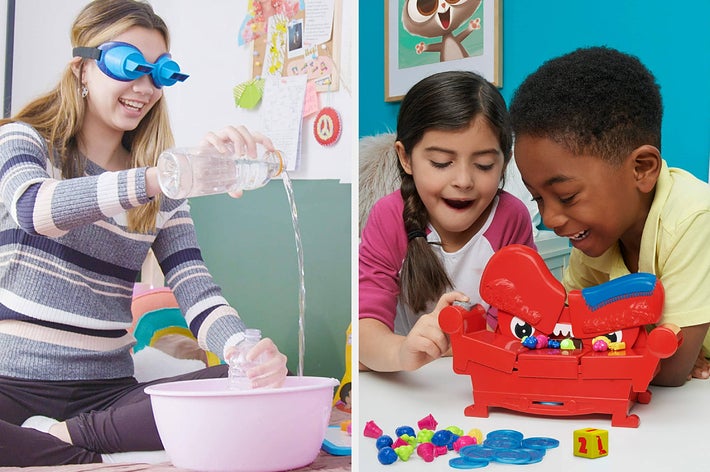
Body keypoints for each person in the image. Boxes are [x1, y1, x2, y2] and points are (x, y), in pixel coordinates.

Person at [0, 0, 288, 466]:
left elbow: (196, 289)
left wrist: (246, 351)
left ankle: (61, 439)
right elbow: (34, 207)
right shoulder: (23, 139)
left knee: (247, 387)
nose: (145, 86)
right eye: (128, 65)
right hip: (11, 382)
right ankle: (88, 454)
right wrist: (160, 177)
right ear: (82, 69)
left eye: (160, 72)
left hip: (106, 395)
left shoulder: (162, 184)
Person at [508, 46, 710, 387]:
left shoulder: (693, 217)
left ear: (642, 169)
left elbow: (671, 369)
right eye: (538, 198)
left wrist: (633, 351)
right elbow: (566, 334)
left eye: (567, 196)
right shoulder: (593, 241)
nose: (551, 218)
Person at [359, 70, 536, 372]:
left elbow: (515, 323)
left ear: (504, 162)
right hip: (407, 382)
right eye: (441, 163)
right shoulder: (389, 217)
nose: (464, 181)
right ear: (405, 158)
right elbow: (366, 331)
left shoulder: (511, 218)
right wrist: (402, 352)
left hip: (483, 375)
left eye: (484, 165)